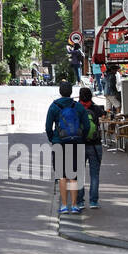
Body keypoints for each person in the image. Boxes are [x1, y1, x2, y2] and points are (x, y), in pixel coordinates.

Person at [45, 81, 90, 214]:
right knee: (73, 175)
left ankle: (64, 205)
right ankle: (75, 205)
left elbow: (48, 127)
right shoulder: (78, 107)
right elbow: (86, 125)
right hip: (75, 142)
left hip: (59, 143)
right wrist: (82, 138)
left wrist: (52, 139)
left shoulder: (53, 107)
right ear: (71, 92)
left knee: (62, 175)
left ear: (60, 91)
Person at [74, 87, 106, 211]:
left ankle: (80, 201)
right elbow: (103, 116)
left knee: (79, 174)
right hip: (95, 144)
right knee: (94, 174)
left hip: (79, 144)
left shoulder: (76, 108)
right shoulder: (96, 108)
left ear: (80, 96)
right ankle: (93, 201)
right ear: (91, 96)